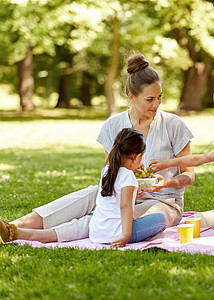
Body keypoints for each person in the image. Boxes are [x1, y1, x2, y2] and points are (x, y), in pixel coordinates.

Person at [0, 53, 194, 244]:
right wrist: (128, 186)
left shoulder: (173, 125)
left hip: (164, 202)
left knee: (109, 218)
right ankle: (10, 227)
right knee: (82, 198)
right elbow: (110, 172)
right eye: (149, 99)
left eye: (159, 97)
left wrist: (166, 183)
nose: (157, 104)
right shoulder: (113, 125)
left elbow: (189, 175)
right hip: (121, 191)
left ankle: (27, 235)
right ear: (132, 97)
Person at [89, 128, 166, 247]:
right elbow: (125, 206)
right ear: (138, 156)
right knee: (161, 219)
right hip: (116, 235)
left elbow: (114, 198)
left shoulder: (106, 170)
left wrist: (133, 196)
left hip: (96, 233)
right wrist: (126, 236)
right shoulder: (128, 176)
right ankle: (136, 235)